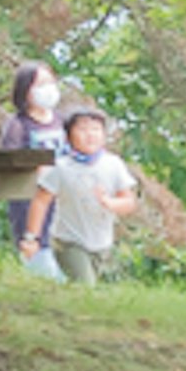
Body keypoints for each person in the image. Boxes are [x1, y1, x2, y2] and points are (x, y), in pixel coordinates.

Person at [34, 108, 140, 286]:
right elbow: (41, 200)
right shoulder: (61, 167)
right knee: (85, 286)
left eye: (95, 129)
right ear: (68, 137)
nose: (90, 135)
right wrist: (32, 236)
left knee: (80, 289)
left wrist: (111, 203)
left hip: (101, 243)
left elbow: (129, 202)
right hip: (68, 241)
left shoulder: (113, 164)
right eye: (82, 130)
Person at [2, 64, 63, 272]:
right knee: (38, 251)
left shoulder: (62, 122)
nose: (47, 88)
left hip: (62, 201)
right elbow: (10, 162)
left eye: (50, 82)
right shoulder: (17, 126)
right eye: (40, 84)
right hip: (28, 201)